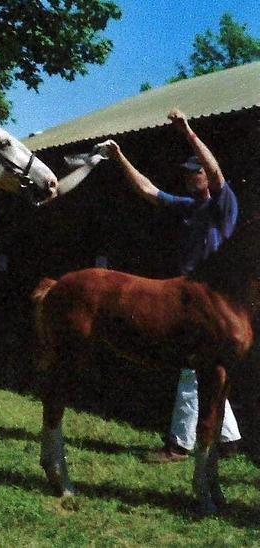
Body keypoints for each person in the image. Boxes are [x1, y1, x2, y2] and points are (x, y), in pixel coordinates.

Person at [100, 107, 241, 463]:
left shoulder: (222, 205)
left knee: (192, 370)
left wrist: (188, 130)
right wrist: (119, 157)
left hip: (212, 300)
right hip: (188, 296)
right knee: (208, 370)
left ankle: (180, 445)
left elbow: (216, 171)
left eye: (194, 174)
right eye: (188, 174)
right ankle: (229, 439)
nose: (189, 178)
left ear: (204, 179)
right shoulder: (187, 207)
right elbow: (147, 190)